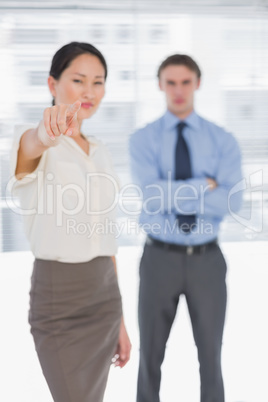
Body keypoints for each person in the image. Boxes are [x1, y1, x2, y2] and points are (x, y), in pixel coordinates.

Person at [10, 42, 131, 402]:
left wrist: (121, 321)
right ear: (52, 84)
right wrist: (46, 133)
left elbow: (107, 238)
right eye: (78, 80)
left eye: (98, 82)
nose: (90, 91)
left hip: (105, 295)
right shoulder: (32, 138)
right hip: (59, 300)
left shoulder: (101, 151)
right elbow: (33, 146)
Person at [129, 54, 243, 402]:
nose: (178, 91)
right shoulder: (143, 139)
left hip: (207, 259)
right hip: (159, 258)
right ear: (161, 85)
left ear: (197, 84)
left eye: (185, 82)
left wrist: (172, 192)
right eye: (171, 83)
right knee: (149, 358)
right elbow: (149, 197)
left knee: (211, 358)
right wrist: (204, 186)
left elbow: (231, 202)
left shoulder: (222, 140)